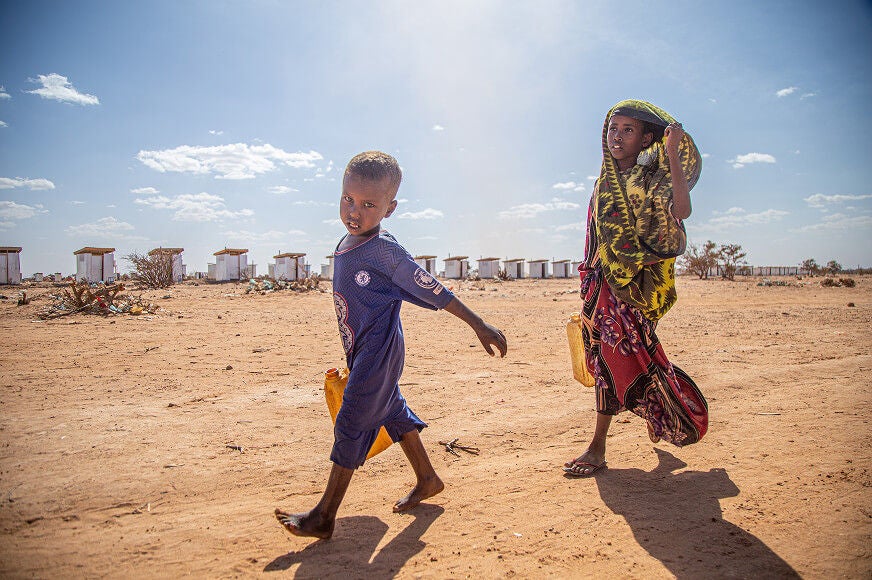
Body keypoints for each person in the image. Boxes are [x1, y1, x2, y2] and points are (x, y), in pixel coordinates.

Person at [276, 151, 508, 539]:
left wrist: (478, 324)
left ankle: (323, 516)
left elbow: (430, 287)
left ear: (390, 208)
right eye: (348, 199)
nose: (355, 211)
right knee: (393, 411)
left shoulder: (383, 250)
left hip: (379, 352)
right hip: (365, 348)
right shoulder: (347, 240)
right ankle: (428, 478)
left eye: (369, 204)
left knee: (351, 421)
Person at [564, 100, 709, 477]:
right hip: (601, 286)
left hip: (640, 288)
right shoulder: (602, 185)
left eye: (628, 129)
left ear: (647, 137)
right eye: (613, 128)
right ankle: (598, 446)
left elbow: (682, 211)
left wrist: (673, 154)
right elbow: (594, 239)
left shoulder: (653, 178)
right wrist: (588, 283)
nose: (617, 136)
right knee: (603, 360)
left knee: (636, 356)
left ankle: (665, 411)